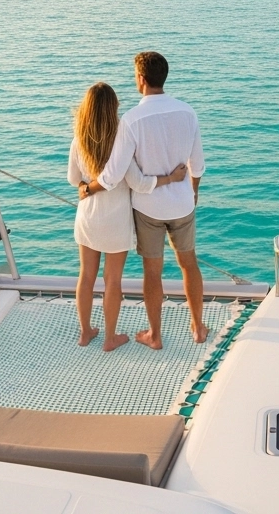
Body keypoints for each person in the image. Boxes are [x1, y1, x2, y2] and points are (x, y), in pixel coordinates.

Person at [97, 52, 207, 350]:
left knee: (152, 272)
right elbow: (197, 165)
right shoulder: (188, 112)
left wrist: (90, 187)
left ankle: (155, 335)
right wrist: (192, 191)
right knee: (189, 264)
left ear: (141, 79)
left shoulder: (132, 120)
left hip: (148, 207)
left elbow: (114, 172)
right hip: (182, 204)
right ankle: (197, 327)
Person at [68, 82, 187, 351]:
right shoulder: (120, 142)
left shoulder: (79, 139)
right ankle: (110, 338)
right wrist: (172, 178)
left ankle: (85, 332)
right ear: (113, 109)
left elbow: (73, 179)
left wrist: (86, 186)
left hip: (88, 216)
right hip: (116, 220)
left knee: (86, 276)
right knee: (113, 280)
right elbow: (139, 182)